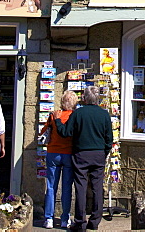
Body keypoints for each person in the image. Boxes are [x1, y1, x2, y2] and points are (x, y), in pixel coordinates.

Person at [54, 86, 112, 231]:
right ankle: (95, 221)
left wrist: (57, 121)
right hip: (98, 154)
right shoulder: (104, 115)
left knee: (80, 186)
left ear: (85, 98)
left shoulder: (78, 113)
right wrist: (104, 152)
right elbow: (109, 139)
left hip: (81, 154)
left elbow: (65, 132)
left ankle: (80, 222)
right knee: (97, 187)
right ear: (97, 98)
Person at [41, 91, 78, 228]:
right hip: (68, 152)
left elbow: (43, 131)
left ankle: (48, 218)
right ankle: (65, 218)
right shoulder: (74, 116)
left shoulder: (54, 115)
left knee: (51, 186)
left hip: (53, 152)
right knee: (67, 187)